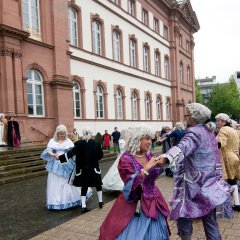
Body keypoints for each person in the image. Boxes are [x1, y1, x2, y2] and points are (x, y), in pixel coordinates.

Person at [157, 103, 232, 240]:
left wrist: (167, 157)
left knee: (184, 214)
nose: (185, 117)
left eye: (187, 114)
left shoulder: (194, 132)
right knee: (210, 221)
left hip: (193, 185)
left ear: (193, 117)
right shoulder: (208, 131)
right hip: (209, 183)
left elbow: (183, 147)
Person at [99, 125, 170, 240]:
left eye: (150, 138)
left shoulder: (148, 154)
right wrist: (146, 168)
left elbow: (153, 175)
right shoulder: (126, 159)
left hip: (153, 198)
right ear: (137, 140)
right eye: (146, 139)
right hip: (135, 203)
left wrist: (160, 164)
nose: (150, 142)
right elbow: (129, 185)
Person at [40, 125, 92, 210]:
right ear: (57, 133)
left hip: (66, 162)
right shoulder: (52, 141)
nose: (62, 135)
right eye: (60, 133)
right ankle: (56, 201)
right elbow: (48, 150)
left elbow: (72, 151)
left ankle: (71, 199)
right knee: (55, 182)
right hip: (55, 164)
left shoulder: (68, 141)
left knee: (68, 181)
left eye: (63, 134)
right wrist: (53, 155)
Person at [57, 127, 103, 213]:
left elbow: (70, 153)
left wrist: (60, 158)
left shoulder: (78, 143)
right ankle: (100, 202)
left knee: (84, 186)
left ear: (83, 134)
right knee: (98, 184)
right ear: (91, 133)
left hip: (83, 170)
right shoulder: (96, 143)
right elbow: (100, 156)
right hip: (94, 169)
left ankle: (83, 206)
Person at [215, 113, 240, 212]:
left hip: (227, 158)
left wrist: (209, 146)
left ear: (224, 121)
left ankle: (221, 205)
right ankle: (237, 204)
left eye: (219, 121)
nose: (217, 123)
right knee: (232, 180)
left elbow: (221, 143)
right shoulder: (233, 130)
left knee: (224, 180)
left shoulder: (223, 130)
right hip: (235, 156)